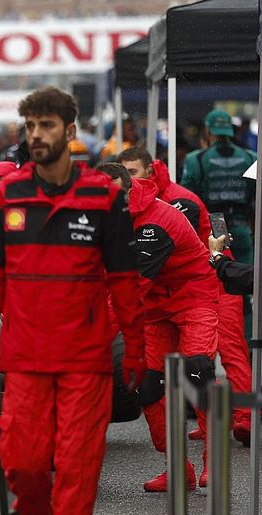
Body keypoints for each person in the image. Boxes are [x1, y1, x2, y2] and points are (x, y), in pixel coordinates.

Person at [0, 87, 145, 515]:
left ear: (70, 131)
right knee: (23, 460)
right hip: (25, 356)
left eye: (47, 125)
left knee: (77, 466)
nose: (37, 135)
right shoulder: (6, 197)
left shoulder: (104, 197)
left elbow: (124, 280)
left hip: (86, 358)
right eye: (31, 126)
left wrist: (136, 348)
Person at [98, 163, 221, 490]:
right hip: (154, 304)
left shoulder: (155, 222)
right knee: (146, 383)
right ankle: (178, 468)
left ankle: (215, 460)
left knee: (197, 369)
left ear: (129, 189)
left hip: (192, 294)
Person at [120, 146, 253, 445]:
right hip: (171, 293)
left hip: (214, 280)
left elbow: (180, 253)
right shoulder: (128, 203)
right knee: (179, 369)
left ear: (149, 170)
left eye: (133, 172)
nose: (129, 180)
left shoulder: (179, 200)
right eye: (123, 174)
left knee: (227, 353)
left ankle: (244, 417)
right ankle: (207, 426)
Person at [181, 110, 257, 266]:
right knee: (246, 272)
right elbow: (257, 194)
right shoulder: (251, 157)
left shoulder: (195, 159)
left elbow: (186, 197)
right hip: (242, 222)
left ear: (207, 130)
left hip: (214, 222)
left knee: (218, 270)